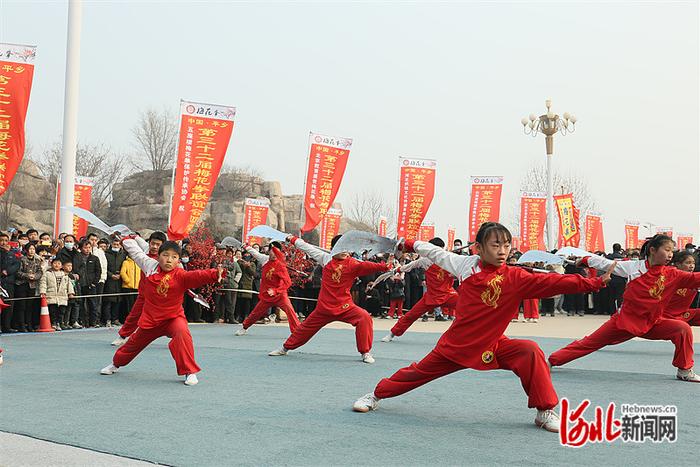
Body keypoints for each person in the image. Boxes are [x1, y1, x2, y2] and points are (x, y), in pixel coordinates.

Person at [352, 222, 613, 432]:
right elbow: (433, 252)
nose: (503, 251)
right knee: (416, 373)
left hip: (494, 345)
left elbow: (555, 283)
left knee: (529, 351)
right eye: (496, 244)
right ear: (479, 247)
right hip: (457, 346)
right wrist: (408, 243)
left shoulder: (517, 277)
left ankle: (544, 411)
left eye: (507, 245)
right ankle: (375, 395)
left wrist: (593, 283)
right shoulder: (464, 266)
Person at [549, 234, 700, 382]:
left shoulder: (673, 274)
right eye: (667, 250)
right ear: (653, 250)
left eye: (672, 251)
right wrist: (584, 260)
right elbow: (604, 263)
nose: (670, 255)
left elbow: (695, 278)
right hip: (624, 322)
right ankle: (550, 361)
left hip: (653, 323)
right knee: (588, 343)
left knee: (682, 329)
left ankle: (684, 370)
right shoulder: (633, 267)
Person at [100, 237, 224, 386]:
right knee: (132, 344)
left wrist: (215, 273)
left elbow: (197, 275)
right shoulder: (149, 265)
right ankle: (115, 364)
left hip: (173, 318)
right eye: (165, 255)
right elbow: (136, 252)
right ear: (158, 256)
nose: (169, 260)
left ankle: (189, 372)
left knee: (182, 334)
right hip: (151, 320)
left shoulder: (181, 274)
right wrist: (127, 239)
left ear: (178, 260)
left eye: (174, 257)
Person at [268, 234, 390, 364]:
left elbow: (371, 266)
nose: (344, 252)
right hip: (324, 309)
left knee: (364, 317)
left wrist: (385, 266)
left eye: (346, 249)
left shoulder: (353, 263)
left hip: (345, 307)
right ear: (333, 248)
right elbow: (306, 247)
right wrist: (292, 239)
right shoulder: (325, 259)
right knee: (303, 329)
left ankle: (365, 352)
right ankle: (285, 348)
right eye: (341, 248)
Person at [382, 238, 459, 342]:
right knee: (410, 315)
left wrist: (454, 274)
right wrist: (397, 270)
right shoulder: (425, 261)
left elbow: (459, 274)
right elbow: (410, 266)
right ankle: (392, 333)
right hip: (431, 296)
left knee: (468, 308)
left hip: (448, 294)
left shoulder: (449, 260)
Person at [111, 231, 166, 346]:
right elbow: (140, 243)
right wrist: (133, 237)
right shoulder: (146, 250)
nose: (154, 247)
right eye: (152, 243)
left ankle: (175, 336)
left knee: (170, 318)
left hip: (160, 295)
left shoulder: (164, 259)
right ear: (149, 243)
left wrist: (128, 239)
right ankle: (123, 336)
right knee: (134, 315)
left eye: (158, 245)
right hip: (144, 293)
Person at [236, 242, 299, 335]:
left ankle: (297, 332)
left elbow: (288, 282)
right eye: (272, 251)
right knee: (256, 313)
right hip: (267, 295)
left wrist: (276, 291)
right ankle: (245, 327)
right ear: (269, 251)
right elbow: (255, 253)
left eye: (277, 252)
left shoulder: (281, 265)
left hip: (279, 294)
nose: (274, 254)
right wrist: (246, 247)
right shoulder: (264, 259)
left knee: (290, 311)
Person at [661, 250, 699, 325]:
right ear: (678, 264)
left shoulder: (694, 278)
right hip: (665, 315)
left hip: (682, 314)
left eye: (693, 263)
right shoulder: (671, 276)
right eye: (688, 263)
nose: (691, 266)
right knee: (682, 328)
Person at [14, 243, 43, 332]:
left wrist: (35, 277)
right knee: (21, 306)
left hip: (32, 285)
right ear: (26, 250)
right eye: (30, 249)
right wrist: (27, 276)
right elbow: (17, 272)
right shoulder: (21, 259)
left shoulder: (37, 260)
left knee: (30, 306)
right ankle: (21, 325)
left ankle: (29, 324)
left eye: (33, 249)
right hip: (22, 285)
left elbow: (40, 272)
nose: (32, 251)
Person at [39, 257, 75, 330]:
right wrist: (43, 292)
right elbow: (43, 283)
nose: (57, 265)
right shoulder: (47, 274)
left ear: (61, 266)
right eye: (55, 263)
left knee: (62, 311)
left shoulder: (64, 275)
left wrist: (71, 293)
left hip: (62, 296)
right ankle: (54, 323)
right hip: (51, 296)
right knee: (53, 311)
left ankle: (60, 323)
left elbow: (69, 284)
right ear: (51, 264)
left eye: (59, 263)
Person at [76, 239, 102, 327]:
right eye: (85, 247)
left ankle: (93, 322)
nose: (87, 249)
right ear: (80, 248)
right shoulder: (77, 257)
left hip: (91, 285)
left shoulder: (94, 258)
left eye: (89, 247)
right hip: (80, 284)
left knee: (93, 304)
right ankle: (83, 322)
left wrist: (94, 282)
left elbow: (98, 271)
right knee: (81, 305)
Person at [0, 232, 21, 333]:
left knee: (9, 306)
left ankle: (7, 326)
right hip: (1, 282)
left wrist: (7, 271)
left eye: (5, 241)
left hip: (9, 283)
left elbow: (17, 265)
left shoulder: (12, 253)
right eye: (1, 241)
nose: (3, 243)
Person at [103, 238, 125, 327]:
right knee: (108, 301)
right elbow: (104, 267)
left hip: (120, 280)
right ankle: (107, 319)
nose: (116, 246)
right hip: (109, 280)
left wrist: (121, 274)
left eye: (117, 245)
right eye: (114, 244)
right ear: (111, 244)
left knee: (118, 301)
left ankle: (115, 319)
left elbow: (125, 266)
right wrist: (111, 275)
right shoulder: (106, 254)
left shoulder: (123, 255)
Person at [62, 261, 82, 329]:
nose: (70, 267)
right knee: (68, 309)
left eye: (71, 266)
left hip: (75, 294)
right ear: (63, 266)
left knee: (76, 307)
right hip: (67, 295)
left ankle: (74, 321)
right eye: (68, 265)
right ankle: (65, 322)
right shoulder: (63, 275)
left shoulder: (73, 275)